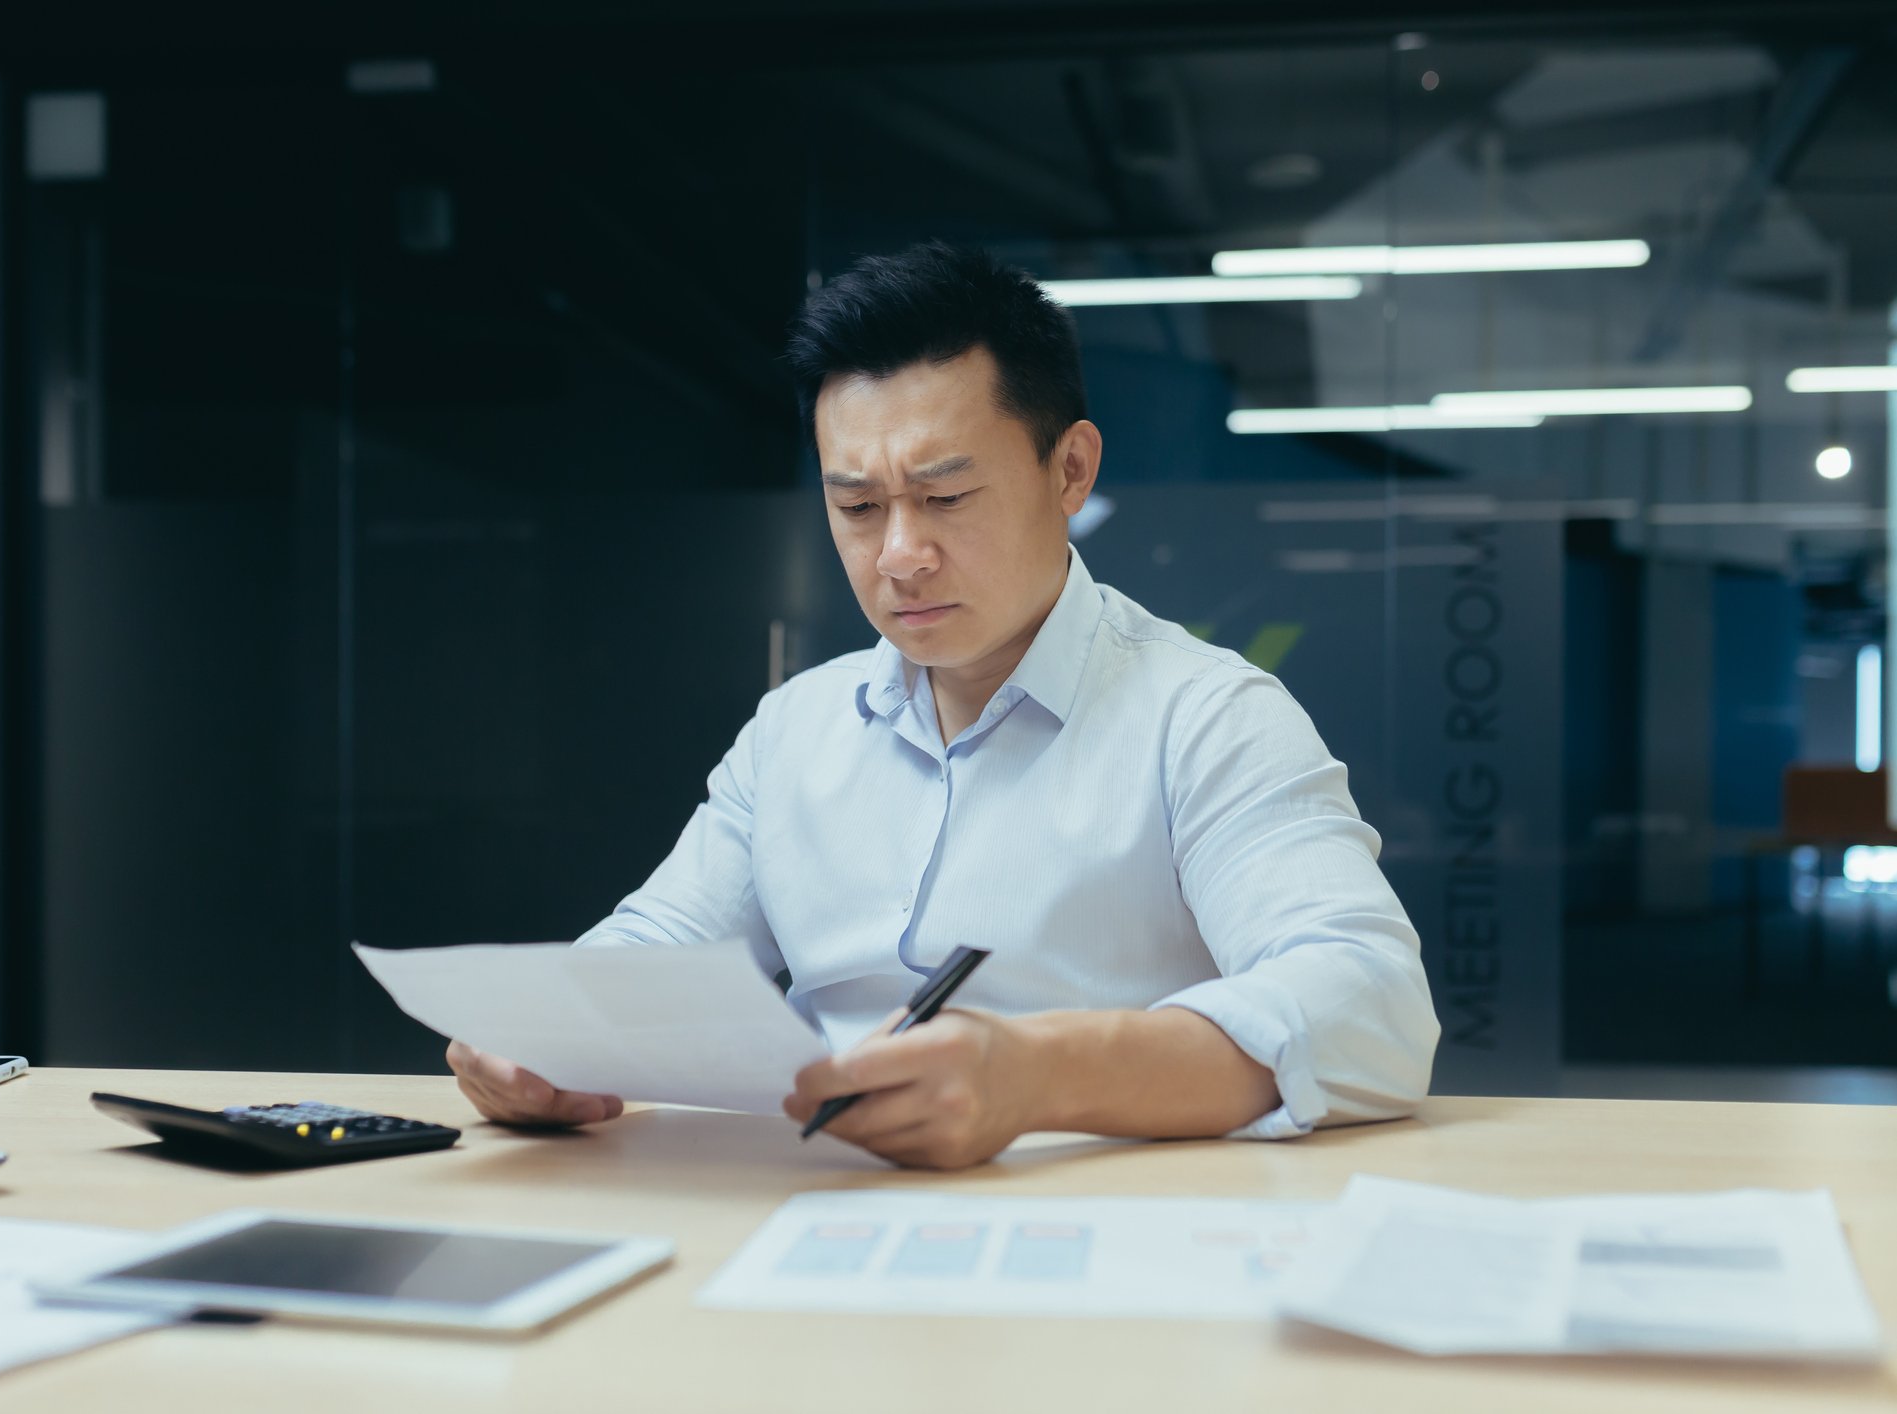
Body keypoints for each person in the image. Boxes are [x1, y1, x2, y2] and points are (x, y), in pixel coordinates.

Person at [448, 241, 1439, 1168]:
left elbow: (1371, 1005)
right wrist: (543, 1035)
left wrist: (1041, 1076)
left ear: (1071, 470)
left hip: (1101, 1228)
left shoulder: (1205, 715)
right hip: (810, 1210)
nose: (899, 555)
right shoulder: (796, 728)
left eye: (947, 496)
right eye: (858, 506)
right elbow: (658, 944)